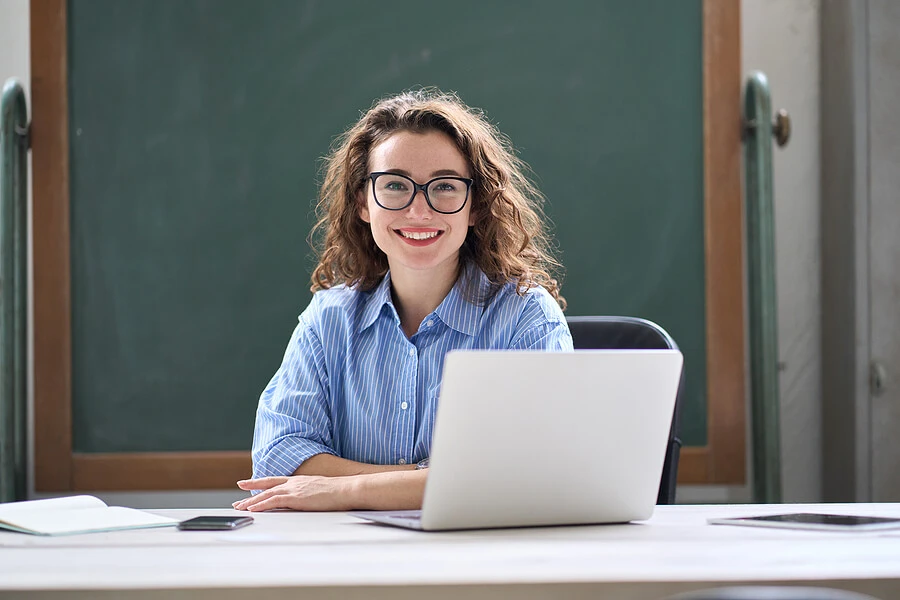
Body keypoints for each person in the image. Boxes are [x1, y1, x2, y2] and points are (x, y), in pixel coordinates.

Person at [234, 88, 572, 512]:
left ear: (475, 206)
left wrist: (345, 489)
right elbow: (279, 456)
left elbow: (531, 474)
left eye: (445, 186)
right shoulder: (329, 318)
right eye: (395, 185)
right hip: (349, 559)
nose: (419, 211)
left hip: (480, 564)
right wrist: (434, 479)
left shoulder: (526, 318)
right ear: (363, 203)